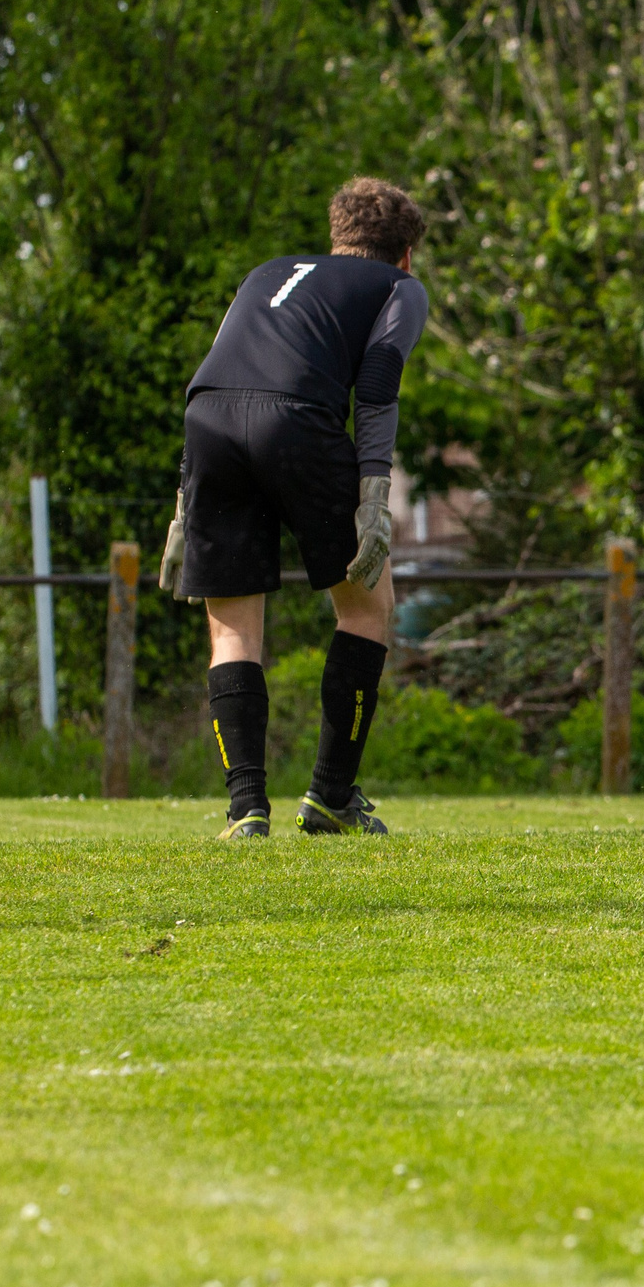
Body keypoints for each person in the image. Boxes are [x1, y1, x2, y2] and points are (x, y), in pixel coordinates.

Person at [159, 177, 429, 838]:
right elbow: (377, 378)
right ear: (406, 254)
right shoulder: (399, 289)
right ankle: (332, 796)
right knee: (369, 605)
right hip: (297, 421)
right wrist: (375, 491)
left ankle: (245, 809)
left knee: (231, 626)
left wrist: (181, 505)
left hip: (207, 424)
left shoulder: (266, 273)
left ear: (338, 237)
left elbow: (217, 375)